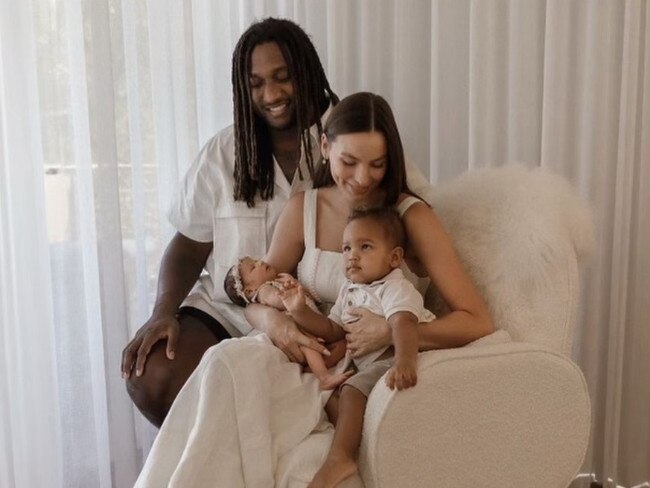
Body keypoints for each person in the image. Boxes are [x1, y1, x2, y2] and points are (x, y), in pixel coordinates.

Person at [134, 91, 493, 487]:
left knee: (259, 419)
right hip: (294, 352)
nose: (362, 178)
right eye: (349, 162)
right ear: (325, 147)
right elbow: (257, 296)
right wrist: (275, 321)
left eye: (377, 164)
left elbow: (476, 321)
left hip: (356, 367)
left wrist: (392, 329)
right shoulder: (305, 208)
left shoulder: (410, 217)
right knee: (222, 366)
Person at [121, 17, 434, 427]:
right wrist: (162, 311)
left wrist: (396, 314)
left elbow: (409, 210)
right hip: (230, 309)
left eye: (283, 77)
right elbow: (187, 245)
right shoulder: (224, 152)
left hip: (317, 313)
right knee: (154, 377)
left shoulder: (348, 138)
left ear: (307, 72)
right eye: (256, 83)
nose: (271, 94)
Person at [281, 206, 436, 486]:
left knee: (352, 389)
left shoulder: (394, 289)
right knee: (329, 395)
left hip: (399, 355)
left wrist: (405, 361)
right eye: (346, 248)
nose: (352, 255)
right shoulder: (350, 290)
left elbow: (404, 326)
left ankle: (340, 458)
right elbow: (333, 329)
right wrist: (300, 312)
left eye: (365, 247)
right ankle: (363, 440)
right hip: (370, 363)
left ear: (394, 258)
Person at [223, 256, 352, 389]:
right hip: (297, 329)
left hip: (311, 322)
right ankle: (324, 377)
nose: (260, 262)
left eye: (256, 261)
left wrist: (296, 285)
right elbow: (279, 300)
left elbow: (309, 299)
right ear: (250, 291)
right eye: (254, 267)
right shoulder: (264, 290)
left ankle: (311, 370)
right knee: (310, 347)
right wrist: (288, 294)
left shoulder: (278, 281)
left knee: (333, 347)